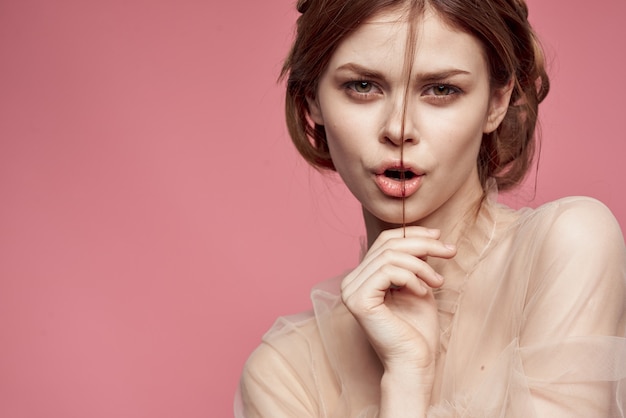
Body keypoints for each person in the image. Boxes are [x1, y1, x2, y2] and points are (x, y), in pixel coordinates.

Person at [236, 0, 626, 416]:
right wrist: (406, 376)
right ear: (311, 99)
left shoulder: (567, 246)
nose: (399, 128)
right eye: (363, 86)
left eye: (442, 89)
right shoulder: (285, 375)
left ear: (497, 102)